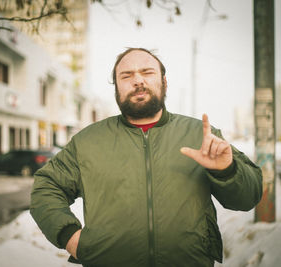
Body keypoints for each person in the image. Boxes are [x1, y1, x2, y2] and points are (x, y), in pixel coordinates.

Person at [30, 48, 263, 267]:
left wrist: (227, 170)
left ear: (164, 82)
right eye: (126, 75)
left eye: (147, 72)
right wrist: (69, 236)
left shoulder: (199, 135)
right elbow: (46, 187)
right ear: (117, 89)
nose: (138, 80)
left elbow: (247, 198)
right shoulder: (88, 141)